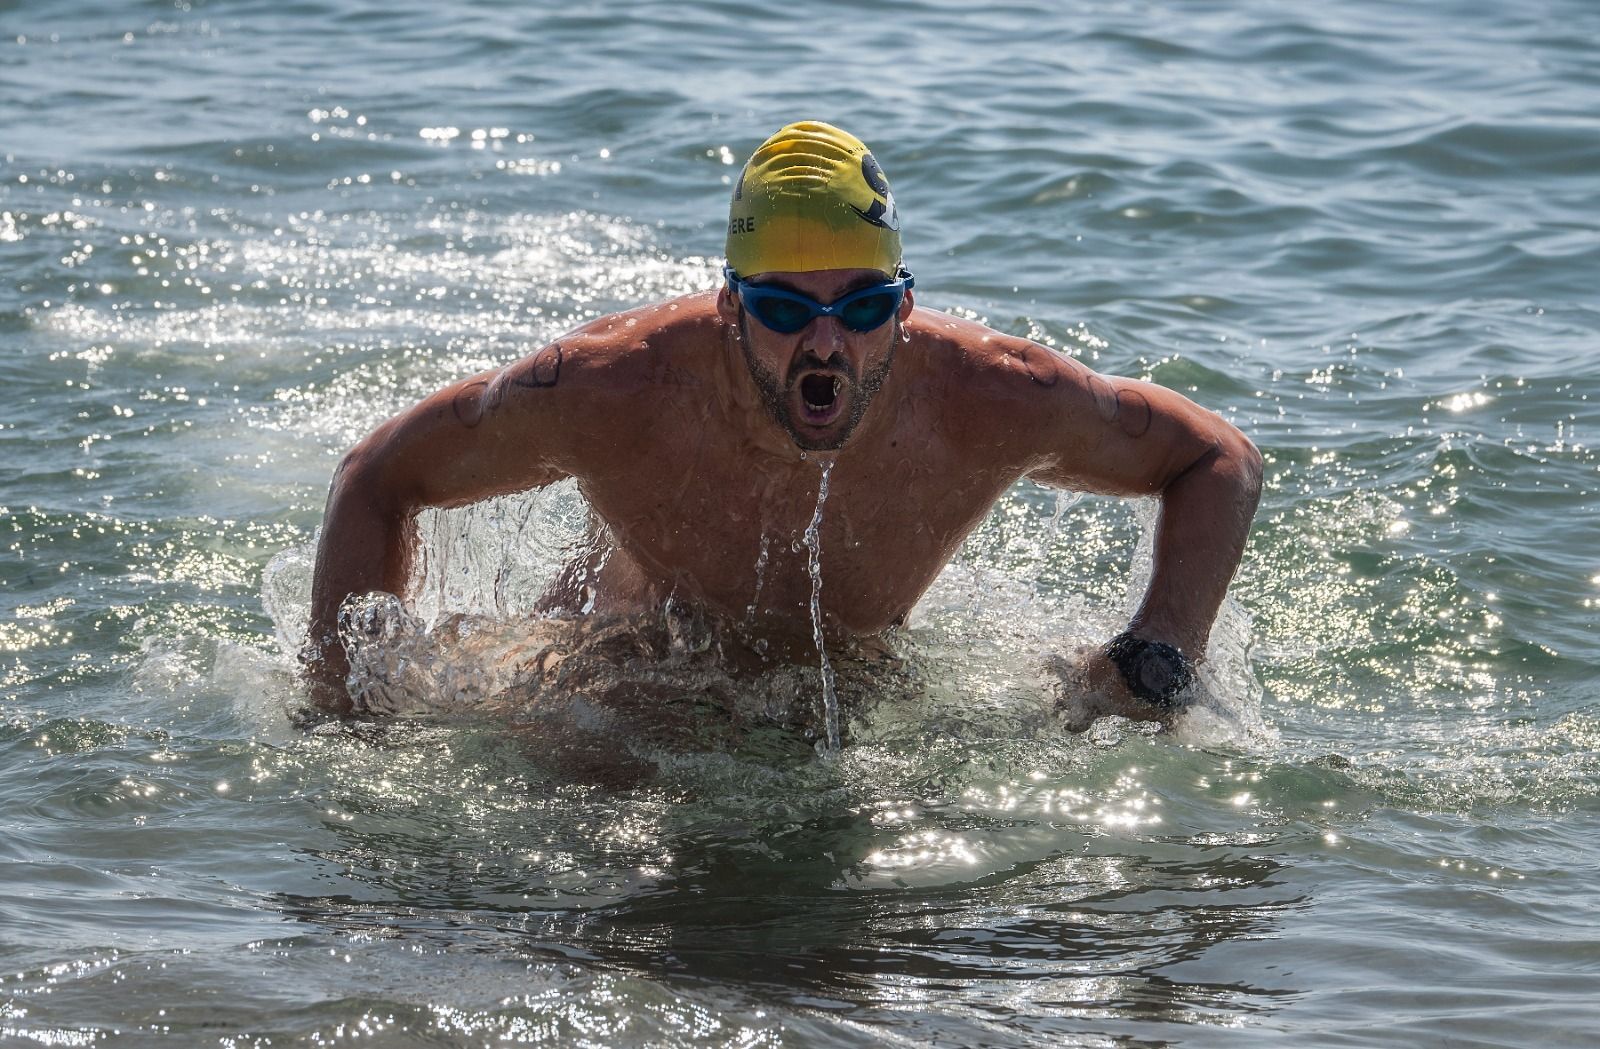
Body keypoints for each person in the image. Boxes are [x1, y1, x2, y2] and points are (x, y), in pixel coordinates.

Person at [302, 120, 1262, 731]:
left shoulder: (994, 396)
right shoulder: (612, 386)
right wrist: (345, 721)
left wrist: (1153, 656)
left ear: (907, 304)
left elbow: (1220, 459)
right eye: (783, 310)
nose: (827, 346)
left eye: (863, 305)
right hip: (621, 680)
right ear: (728, 309)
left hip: (843, 694)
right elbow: (376, 475)